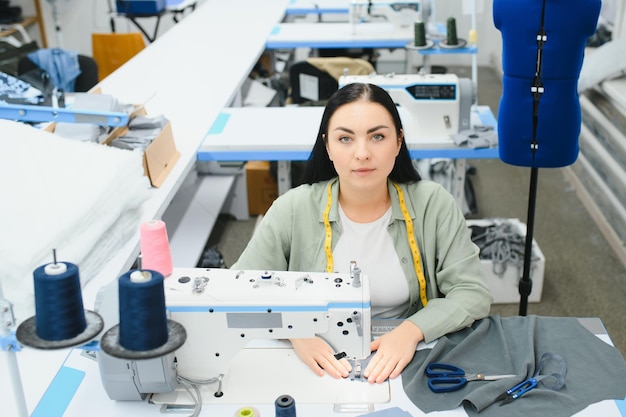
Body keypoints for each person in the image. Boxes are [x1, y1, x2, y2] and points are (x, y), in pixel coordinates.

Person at [231, 82, 492, 383]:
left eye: (377, 136)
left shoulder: (434, 204)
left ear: (398, 141)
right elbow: (240, 291)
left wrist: (412, 330)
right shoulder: (291, 209)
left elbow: (472, 292)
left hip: (409, 356)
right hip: (316, 358)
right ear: (327, 145)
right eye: (345, 139)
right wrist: (293, 331)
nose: (362, 153)